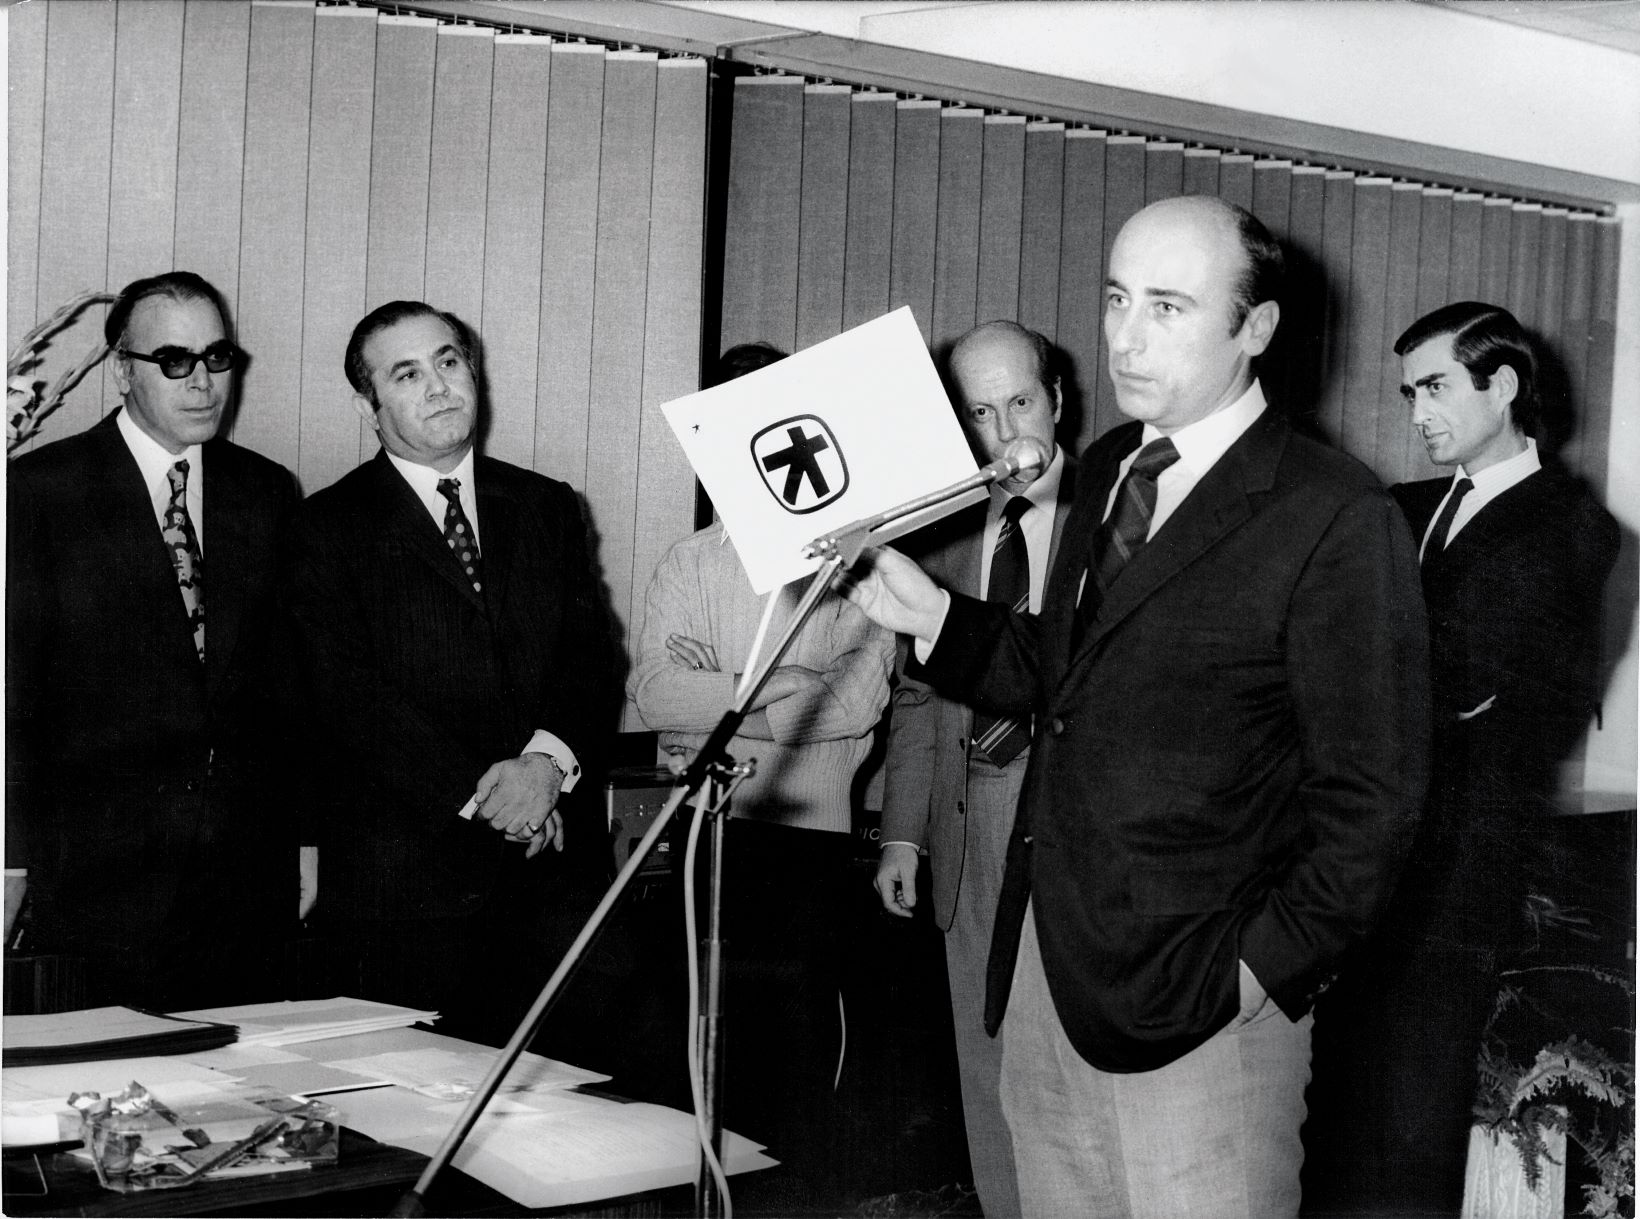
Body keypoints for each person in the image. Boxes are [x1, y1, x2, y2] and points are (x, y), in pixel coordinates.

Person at [840, 195, 1431, 1218]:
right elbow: (1065, 671)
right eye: (1116, 298)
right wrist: (933, 615)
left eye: (1166, 306)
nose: (1123, 336)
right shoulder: (1113, 465)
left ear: (1255, 328)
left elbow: (1373, 803)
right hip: (1047, 971)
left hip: (1202, 1002)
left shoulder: (1334, 511)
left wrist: (1255, 974)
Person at [1306, 301, 1621, 1212]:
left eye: (1436, 387)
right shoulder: (1408, 509)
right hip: (1370, 865)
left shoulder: (1568, 524)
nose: (1417, 412)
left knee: (1409, 1128)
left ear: (1504, 385)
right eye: (1410, 393)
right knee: (1338, 1121)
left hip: (1455, 877)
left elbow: (1483, 694)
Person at [283, 300, 619, 1044]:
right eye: (406, 374)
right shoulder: (324, 527)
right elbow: (348, 697)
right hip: (406, 892)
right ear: (368, 404)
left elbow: (590, 658)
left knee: (567, 1096)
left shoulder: (546, 505)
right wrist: (494, 799)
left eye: (448, 361)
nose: (438, 385)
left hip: (552, 884)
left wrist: (544, 766)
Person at [628, 341, 896, 1200]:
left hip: (808, 847)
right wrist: (787, 683)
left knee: (795, 1081)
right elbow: (653, 692)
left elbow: (854, 704)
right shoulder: (688, 561)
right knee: (693, 1067)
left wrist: (719, 701)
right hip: (706, 837)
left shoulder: (859, 562)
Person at [6, 270, 299, 1011]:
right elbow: (12, 697)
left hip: (244, 886)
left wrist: (305, 843)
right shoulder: (38, 492)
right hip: (98, 885)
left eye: (216, 357)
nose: (201, 382)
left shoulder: (266, 492)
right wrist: (11, 862)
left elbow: (289, 689)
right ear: (122, 369)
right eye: (173, 360)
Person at [874, 320, 1078, 1217]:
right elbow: (919, 697)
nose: (1007, 432)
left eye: (1021, 402)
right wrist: (902, 836)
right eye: (981, 413)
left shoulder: (1115, 517)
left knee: (1065, 1073)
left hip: (1072, 828)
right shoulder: (950, 532)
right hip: (970, 825)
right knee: (987, 1066)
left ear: (1057, 399)